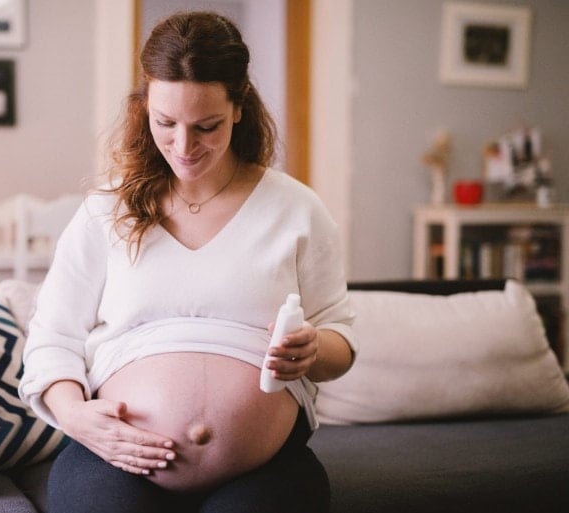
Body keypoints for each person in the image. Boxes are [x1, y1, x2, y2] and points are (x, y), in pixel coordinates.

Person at [19, 11, 356, 513]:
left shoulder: (296, 210)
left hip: (263, 469)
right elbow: (53, 339)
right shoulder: (106, 211)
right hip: (115, 463)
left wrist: (313, 350)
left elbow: (340, 342)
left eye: (206, 126)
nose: (183, 145)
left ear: (238, 108)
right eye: (165, 123)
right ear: (145, 107)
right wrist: (74, 415)